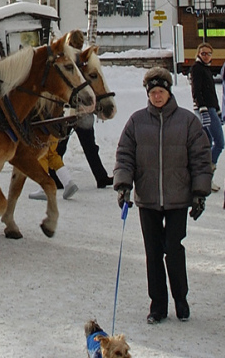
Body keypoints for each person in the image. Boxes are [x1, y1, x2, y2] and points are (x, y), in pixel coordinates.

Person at [113, 66, 212, 325]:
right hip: (148, 199)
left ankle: (181, 299)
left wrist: (199, 193)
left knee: (173, 249)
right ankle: (157, 305)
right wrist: (123, 185)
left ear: (168, 93)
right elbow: (125, 156)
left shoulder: (187, 121)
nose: (157, 96)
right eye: (153, 92)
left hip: (178, 197)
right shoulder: (136, 122)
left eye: (161, 92)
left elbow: (201, 159)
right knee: (153, 252)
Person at [56, 30, 113, 189]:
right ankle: (100, 176)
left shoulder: (66, 59)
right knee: (90, 146)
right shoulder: (86, 59)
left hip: (68, 110)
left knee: (60, 146)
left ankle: (55, 176)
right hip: (83, 110)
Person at [190, 42, 223, 190]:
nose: (206, 56)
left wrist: (217, 109)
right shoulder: (197, 69)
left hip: (210, 108)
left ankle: (204, 178)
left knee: (207, 142)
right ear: (198, 54)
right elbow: (197, 90)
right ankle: (208, 171)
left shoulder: (205, 69)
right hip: (205, 109)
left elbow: (211, 92)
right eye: (203, 53)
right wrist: (203, 108)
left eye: (209, 53)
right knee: (220, 142)